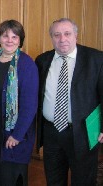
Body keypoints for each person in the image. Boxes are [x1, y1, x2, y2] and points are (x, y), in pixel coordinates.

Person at [36, 18, 103, 185]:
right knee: (54, 180)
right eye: (57, 35)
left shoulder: (96, 59)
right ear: (51, 37)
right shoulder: (42, 60)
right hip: (51, 133)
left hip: (84, 132)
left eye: (67, 34)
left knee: (83, 181)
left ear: (76, 36)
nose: (62, 39)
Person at [0, 20, 39, 186]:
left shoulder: (27, 64)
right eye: (5, 36)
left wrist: (17, 135)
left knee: (9, 177)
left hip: (12, 131)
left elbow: (30, 105)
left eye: (15, 36)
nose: (10, 40)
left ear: (20, 40)